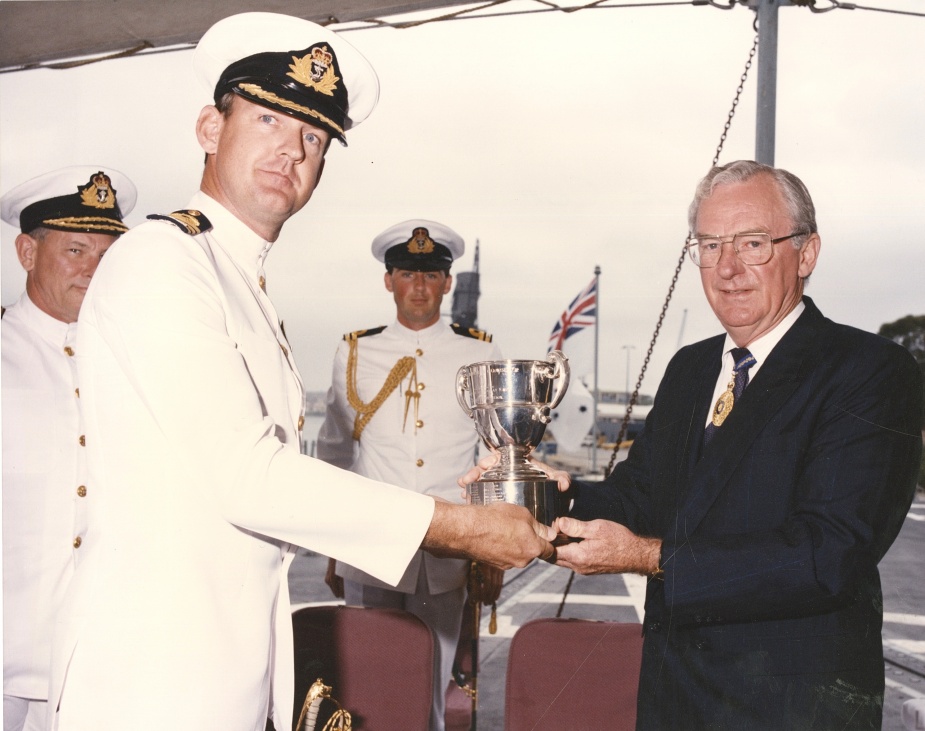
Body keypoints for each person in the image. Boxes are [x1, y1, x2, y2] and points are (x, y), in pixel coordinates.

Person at [46, 13, 554, 731]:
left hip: (224, 671)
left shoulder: (238, 282)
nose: (291, 150)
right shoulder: (162, 260)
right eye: (266, 121)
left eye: (313, 137)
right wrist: (464, 528)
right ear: (208, 128)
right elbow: (247, 475)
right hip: (149, 678)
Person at [463, 160, 923, 729]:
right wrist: (541, 492)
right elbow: (641, 497)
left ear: (806, 254)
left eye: (753, 243)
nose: (727, 268)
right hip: (675, 697)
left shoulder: (868, 371)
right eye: (709, 245)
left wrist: (645, 557)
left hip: (792, 710)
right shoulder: (690, 368)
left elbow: (828, 553)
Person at [317, 219, 503, 730]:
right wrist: (335, 546)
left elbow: (493, 456)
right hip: (370, 550)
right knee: (366, 689)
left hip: (445, 556)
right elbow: (334, 452)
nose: (418, 287)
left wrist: (490, 551)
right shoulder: (355, 352)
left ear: (447, 282)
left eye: (430, 275)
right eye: (405, 274)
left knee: (431, 694)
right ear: (388, 281)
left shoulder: (479, 352)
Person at [1, 166, 136, 731]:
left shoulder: (133, 362)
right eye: (77, 249)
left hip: (102, 659)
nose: (93, 269)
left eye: (106, 254)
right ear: (27, 252)